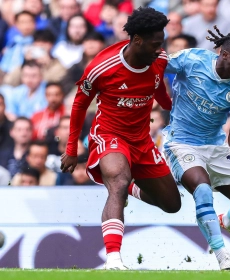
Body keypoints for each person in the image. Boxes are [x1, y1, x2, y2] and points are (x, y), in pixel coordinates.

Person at [60, 7, 181, 270]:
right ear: (137, 40)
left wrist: (173, 106)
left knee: (172, 204)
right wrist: (72, 148)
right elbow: (79, 105)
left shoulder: (158, 59)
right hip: (109, 135)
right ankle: (113, 259)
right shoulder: (102, 67)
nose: (160, 49)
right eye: (155, 44)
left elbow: (159, 89)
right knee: (117, 182)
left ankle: (128, 186)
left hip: (142, 140)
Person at [163, 25, 230, 270]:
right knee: (203, 190)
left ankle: (229, 221)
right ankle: (222, 255)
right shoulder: (191, 59)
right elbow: (157, 65)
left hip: (215, 148)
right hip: (181, 143)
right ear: (224, 55)